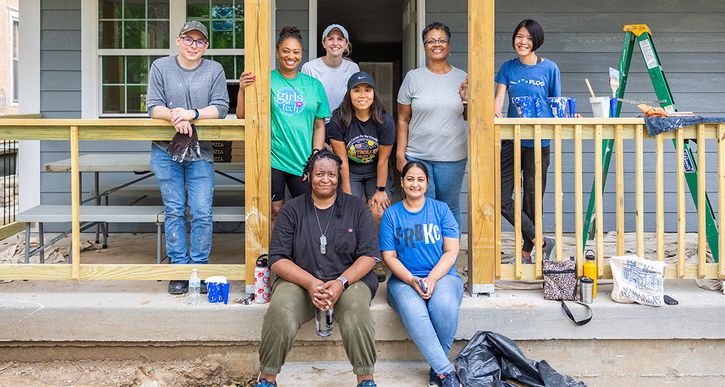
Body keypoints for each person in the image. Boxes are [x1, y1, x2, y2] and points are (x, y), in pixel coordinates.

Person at [255, 149, 379, 387]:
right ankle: (267, 378)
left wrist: (341, 282)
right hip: (300, 282)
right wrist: (312, 283)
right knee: (281, 310)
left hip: (348, 281)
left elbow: (369, 256)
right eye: (319, 173)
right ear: (308, 176)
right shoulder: (292, 210)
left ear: (339, 177)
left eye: (331, 174)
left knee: (356, 311)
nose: (325, 179)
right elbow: (278, 258)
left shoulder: (357, 209)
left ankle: (366, 379)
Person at [146, 21, 229, 295]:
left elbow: (221, 107)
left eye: (200, 41)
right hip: (164, 149)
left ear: (206, 46)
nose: (194, 46)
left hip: (201, 150)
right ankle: (179, 270)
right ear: (179, 40)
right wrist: (174, 116)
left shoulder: (214, 69)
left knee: (202, 211)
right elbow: (153, 106)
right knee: (174, 209)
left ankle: (199, 269)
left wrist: (190, 113)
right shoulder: (160, 66)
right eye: (189, 40)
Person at [379, 161, 463, 387]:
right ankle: (445, 371)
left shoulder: (441, 210)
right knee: (415, 310)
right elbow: (389, 257)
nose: (415, 184)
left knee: (443, 305)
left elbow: (451, 250)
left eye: (420, 179)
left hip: (443, 276)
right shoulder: (391, 215)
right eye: (410, 179)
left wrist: (432, 279)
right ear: (403, 182)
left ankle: (438, 369)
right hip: (403, 281)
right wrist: (412, 280)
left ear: (427, 183)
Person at [237, 26, 329, 223]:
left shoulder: (314, 86)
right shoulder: (264, 80)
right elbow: (242, 115)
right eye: (286, 51)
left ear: (301, 55)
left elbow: (319, 125)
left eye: (296, 52)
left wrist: (316, 155)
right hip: (273, 159)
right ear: (278, 53)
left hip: (303, 160)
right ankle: (277, 253)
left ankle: (301, 253)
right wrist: (243, 90)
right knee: (274, 210)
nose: (291, 56)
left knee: (307, 212)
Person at [494, 19, 559, 263]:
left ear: (536, 42)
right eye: (520, 36)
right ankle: (541, 240)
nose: (523, 42)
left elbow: (555, 103)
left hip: (539, 142)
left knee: (532, 200)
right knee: (500, 197)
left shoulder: (550, 68)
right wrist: (496, 114)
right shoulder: (507, 68)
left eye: (529, 38)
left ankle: (526, 253)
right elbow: (499, 98)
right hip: (513, 140)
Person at [397, 22, 468, 227]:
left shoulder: (462, 77)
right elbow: (403, 119)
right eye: (431, 41)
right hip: (418, 156)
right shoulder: (413, 78)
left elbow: (469, 117)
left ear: (449, 45)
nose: (436, 44)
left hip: (452, 158)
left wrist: (466, 100)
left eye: (441, 40)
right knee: (421, 206)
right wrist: (401, 156)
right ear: (424, 46)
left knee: (449, 207)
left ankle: (450, 257)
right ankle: (425, 255)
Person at [328, 71, 395, 222]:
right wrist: (347, 192)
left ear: (373, 93)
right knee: (349, 211)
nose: (362, 95)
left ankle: (375, 246)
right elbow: (342, 161)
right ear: (349, 93)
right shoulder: (338, 121)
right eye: (356, 90)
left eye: (367, 90)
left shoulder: (385, 121)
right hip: (351, 171)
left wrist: (380, 190)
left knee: (378, 211)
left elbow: (383, 160)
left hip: (375, 171)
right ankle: (353, 245)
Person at [302, 23, 360, 123]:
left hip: (344, 124)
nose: (335, 43)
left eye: (340, 39)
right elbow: (306, 102)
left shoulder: (353, 68)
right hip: (317, 123)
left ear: (346, 44)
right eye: (330, 38)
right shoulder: (309, 68)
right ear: (324, 43)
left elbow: (355, 99)